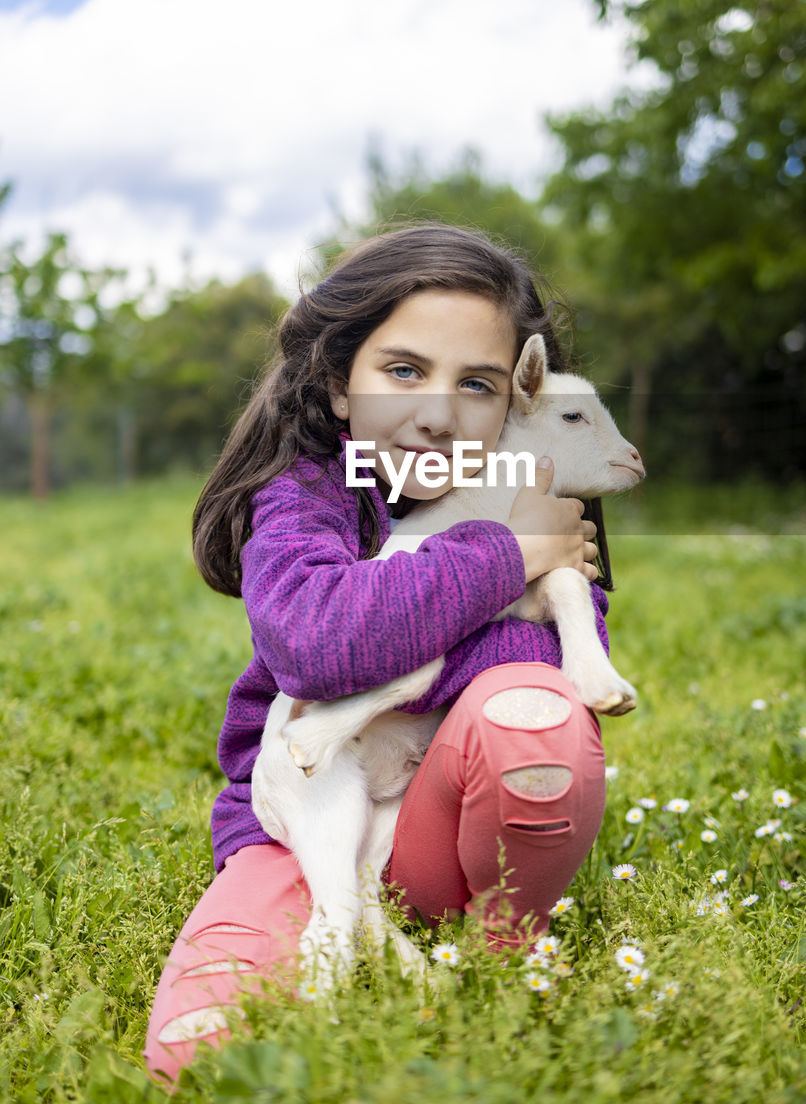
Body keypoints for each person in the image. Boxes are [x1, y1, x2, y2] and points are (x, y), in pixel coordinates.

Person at [144, 223, 612, 1083]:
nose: (436, 412)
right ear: (338, 388)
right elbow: (315, 643)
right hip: (308, 821)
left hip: (447, 829)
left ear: (518, 403)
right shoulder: (309, 497)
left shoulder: (537, 502)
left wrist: (419, 614)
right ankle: (330, 924)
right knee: (198, 1050)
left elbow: (559, 668)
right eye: (403, 371)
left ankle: (504, 950)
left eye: (476, 384)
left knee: (529, 712)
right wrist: (504, 562)